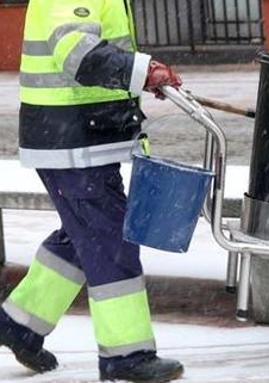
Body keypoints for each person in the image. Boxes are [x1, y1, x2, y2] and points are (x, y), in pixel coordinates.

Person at [0, 1, 184, 382]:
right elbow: (77, 54)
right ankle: (126, 356)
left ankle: (18, 324)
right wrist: (142, 71)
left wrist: (139, 78)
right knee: (109, 239)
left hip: (81, 136)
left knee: (84, 234)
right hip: (70, 141)